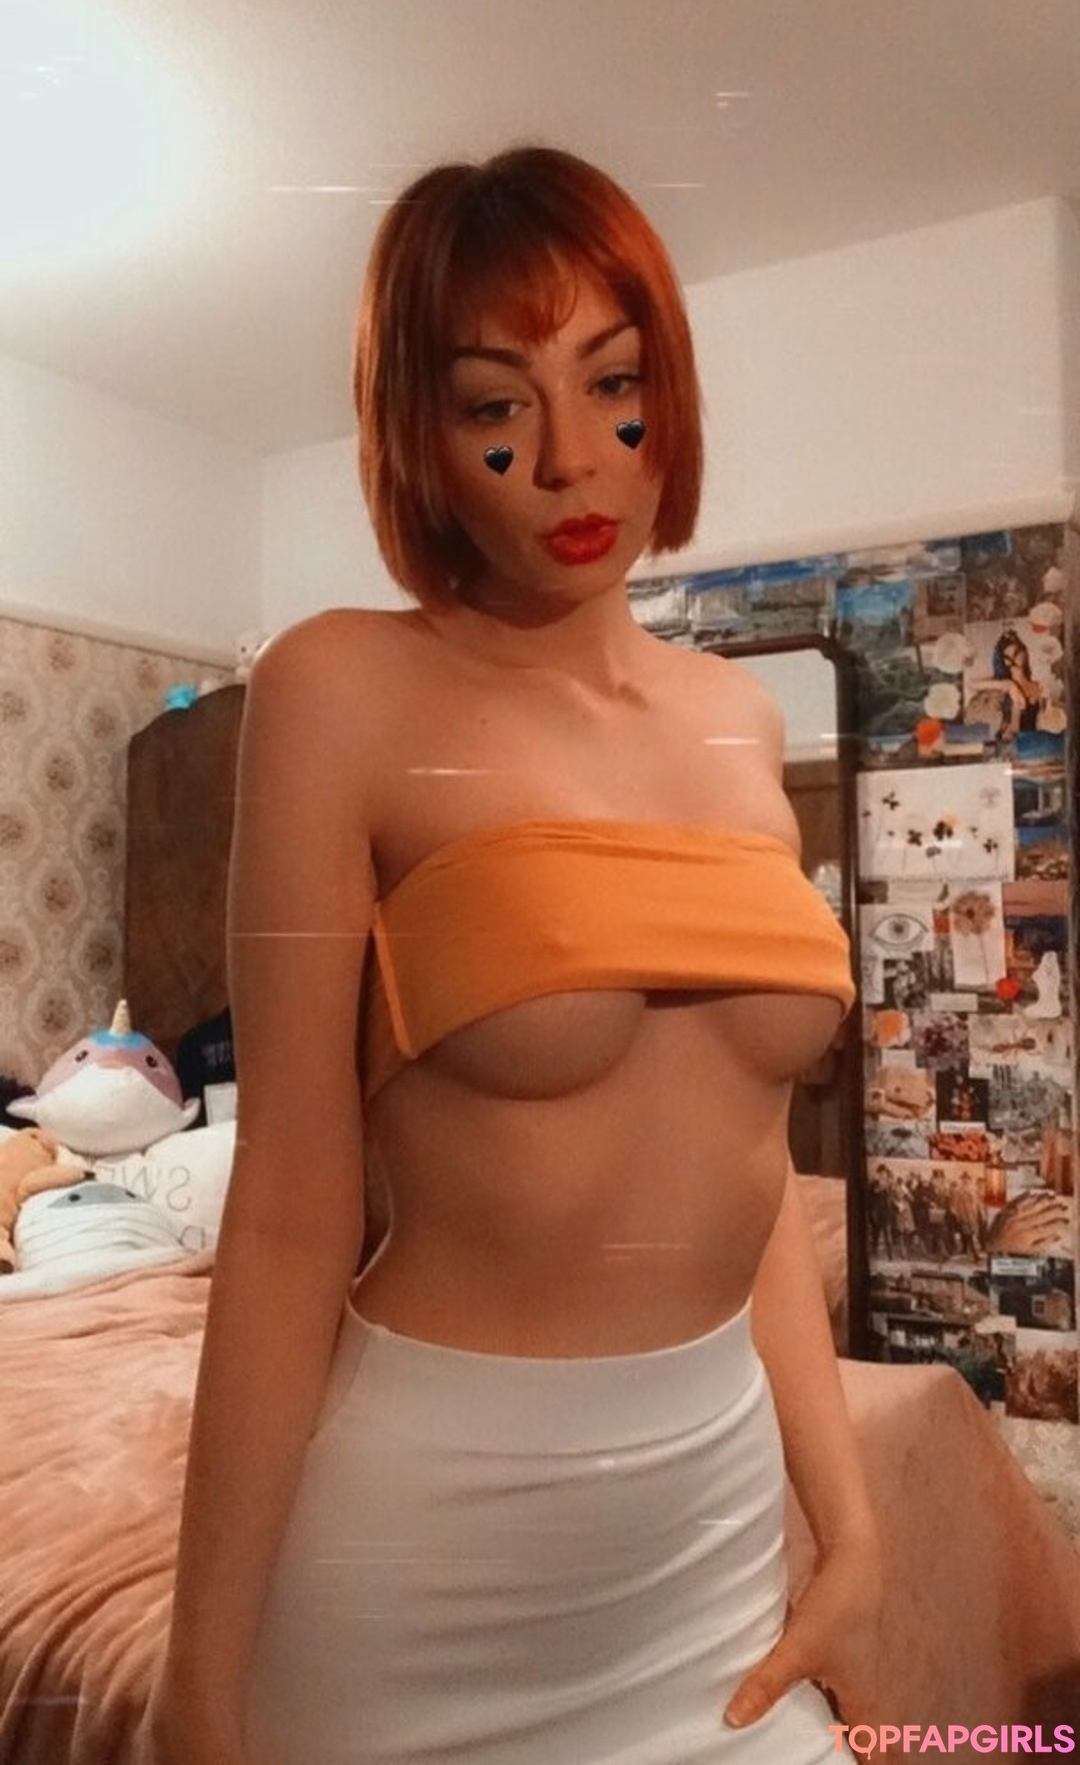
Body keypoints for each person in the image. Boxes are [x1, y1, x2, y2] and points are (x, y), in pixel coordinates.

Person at [145, 145, 882, 1764]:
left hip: (711, 1517)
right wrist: (200, 1683)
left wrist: (849, 1514)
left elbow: (748, 1169)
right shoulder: (340, 691)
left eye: (613, 385)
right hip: (430, 1540)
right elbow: (288, 1208)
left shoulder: (743, 721)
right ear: (422, 438)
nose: (567, 458)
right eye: (496, 405)